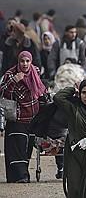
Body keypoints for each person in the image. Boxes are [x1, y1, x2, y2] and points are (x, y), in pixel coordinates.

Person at [0, 51, 48, 183]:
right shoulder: (10, 74)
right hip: (17, 117)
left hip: (33, 117)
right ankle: (21, 176)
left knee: (26, 149)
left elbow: (40, 90)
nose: (25, 64)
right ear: (18, 61)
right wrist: (14, 82)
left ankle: (23, 175)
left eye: (27, 61)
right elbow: (3, 93)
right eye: (22, 61)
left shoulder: (35, 71)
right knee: (17, 147)